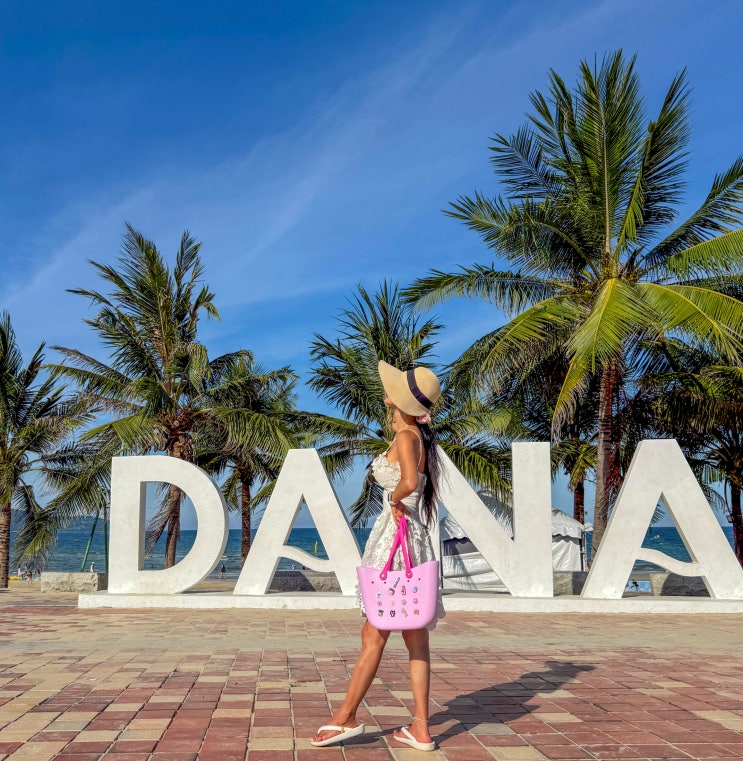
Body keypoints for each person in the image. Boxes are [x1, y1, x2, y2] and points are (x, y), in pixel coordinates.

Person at [311, 361, 442, 752]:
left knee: (374, 633)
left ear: (399, 400)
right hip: (413, 537)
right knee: (415, 637)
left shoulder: (405, 434)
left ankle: (346, 717)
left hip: (396, 538)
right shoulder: (418, 436)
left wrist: (394, 498)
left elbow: (409, 482)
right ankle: (421, 728)